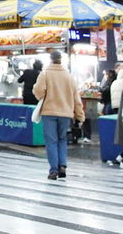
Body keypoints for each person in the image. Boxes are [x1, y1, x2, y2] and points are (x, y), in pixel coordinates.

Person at [32, 50, 84, 180]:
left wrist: (43, 97)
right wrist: (80, 116)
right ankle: (63, 165)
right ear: (61, 60)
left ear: (50, 59)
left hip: (49, 112)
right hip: (66, 113)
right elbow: (76, 98)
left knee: (51, 141)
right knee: (62, 139)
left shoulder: (45, 74)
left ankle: (53, 170)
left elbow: (38, 91)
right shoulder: (69, 76)